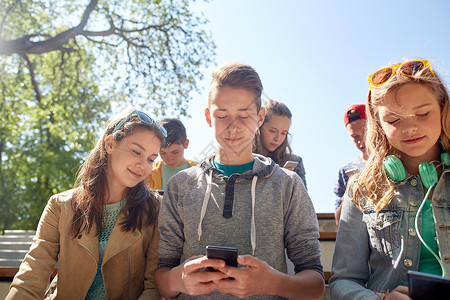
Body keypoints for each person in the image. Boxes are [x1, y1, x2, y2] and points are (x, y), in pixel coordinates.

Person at [155, 62, 325, 299]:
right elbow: (161, 277)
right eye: (222, 115)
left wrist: (272, 283)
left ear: (260, 118)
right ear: (208, 117)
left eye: (244, 115)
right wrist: (177, 279)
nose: (233, 127)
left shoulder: (289, 185)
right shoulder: (180, 185)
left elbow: (316, 285)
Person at [6, 109, 167, 300]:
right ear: (109, 144)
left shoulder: (156, 209)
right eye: (136, 151)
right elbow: (32, 273)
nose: (144, 165)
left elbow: (153, 287)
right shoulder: (60, 205)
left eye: (151, 159)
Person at [329, 59, 450, 299]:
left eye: (423, 113)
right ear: (378, 124)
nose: (410, 127)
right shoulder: (360, 189)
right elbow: (344, 280)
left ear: (443, 109)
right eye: (393, 120)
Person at [253, 99, 308, 189]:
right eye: (272, 131)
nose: (277, 138)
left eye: (283, 133)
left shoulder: (296, 163)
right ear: (260, 126)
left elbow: (303, 201)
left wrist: (289, 183)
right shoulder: (245, 160)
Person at [333, 104, 368, 225]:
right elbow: (339, 220)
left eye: (365, 132)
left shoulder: (391, 164)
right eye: (355, 136)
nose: (361, 141)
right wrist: (348, 196)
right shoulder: (345, 171)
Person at [146, 118, 197, 190]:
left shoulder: (201, 171)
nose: (169, 158)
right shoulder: (148, 172)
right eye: (163, 153)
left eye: (175, 152)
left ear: (186, 144)